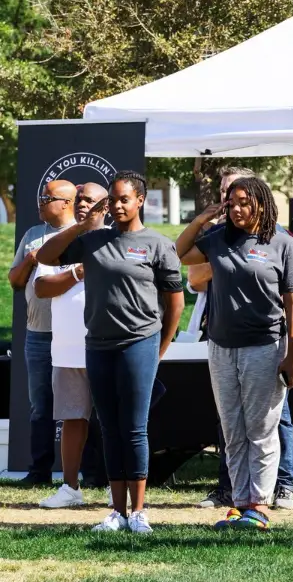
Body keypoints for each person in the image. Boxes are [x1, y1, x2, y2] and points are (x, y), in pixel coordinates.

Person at [36, 170, 184, 534]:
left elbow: (175, 301)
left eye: (124, 199)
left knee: (134, 429)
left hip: (139, 343)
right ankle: (116, 512)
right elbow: (47, 254)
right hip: (98, 345)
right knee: (110, 429)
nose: (117, 206)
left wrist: (160, 347)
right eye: (112, 200)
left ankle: (138, 512)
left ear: (140, 201)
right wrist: (81, 226)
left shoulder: (157, 244)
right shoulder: (93, 240)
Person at [176, 176, 293, 531]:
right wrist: (202, 219)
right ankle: (239, 502)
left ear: (262, 202)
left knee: (261, 428)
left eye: (244, 202)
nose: (236, 209)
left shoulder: (283, 243)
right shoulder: (217, 239)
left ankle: (260, 506)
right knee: (232, 428)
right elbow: (178, 253)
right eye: (231, 203)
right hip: (220, 347)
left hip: (265, 345)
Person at [35, 183, 109, 508]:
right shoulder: (61, 243)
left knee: (113, 421)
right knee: (72, 419)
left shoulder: (117, 241)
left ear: (105, 208)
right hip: (67, 349)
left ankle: (116, 487)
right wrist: (78, 272)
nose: (83, 205)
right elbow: (41, 287)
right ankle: (70, 488)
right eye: (79, 199)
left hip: (108, 347)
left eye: (90, 201)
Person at [8, 180, 77, 486]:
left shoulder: (82, 235)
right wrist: (31, 259)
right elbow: (14, 280)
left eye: (46, 198)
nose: (39, 203)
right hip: (38, 335)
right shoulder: (33, 236)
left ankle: (88, 472)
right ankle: (39, 472)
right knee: (41, 405)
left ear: (66, 203)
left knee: (80, 406)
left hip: (75, 335)